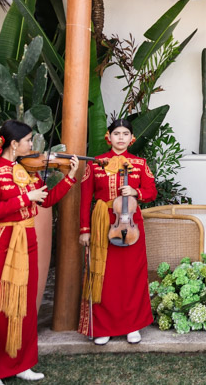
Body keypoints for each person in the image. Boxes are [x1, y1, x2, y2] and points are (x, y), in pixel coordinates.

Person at [0, 120, 78, 385]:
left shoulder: (27, 171)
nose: (32, 145)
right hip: (1, 243)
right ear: (14, 144)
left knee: (25, 306)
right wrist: (24, 199)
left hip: (27, 242)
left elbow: (46, 199)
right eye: (28, 140)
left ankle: (21, 363)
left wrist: (70, 178)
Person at [78, 118, 157, 345]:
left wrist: (136, 191)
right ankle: (104, 327)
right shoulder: (96, 163)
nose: (120, 138)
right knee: (104, 274)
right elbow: (85, 198)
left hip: (131, 225)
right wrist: (85, 229)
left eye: (125, 134)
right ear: (108, 137)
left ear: (132, 138)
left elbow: (151, 191)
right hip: (104, 222)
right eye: (116, 134)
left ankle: (133, 325)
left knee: (132, 275)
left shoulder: (140, 163)